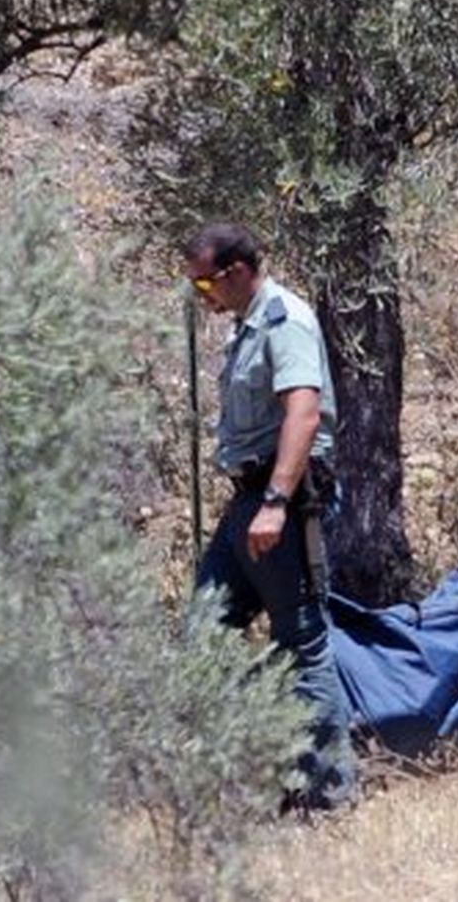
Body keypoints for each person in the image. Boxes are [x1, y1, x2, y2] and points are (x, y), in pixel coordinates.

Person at [182, 223, 357, 809]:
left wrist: (278, 503)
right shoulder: (247, 326)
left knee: (303, 641)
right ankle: (252, 770)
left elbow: (303, 413)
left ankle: (329, 796)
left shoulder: (286, 320)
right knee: (203, 631)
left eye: (204, 282)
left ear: (236, 272)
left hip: (280, 501)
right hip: (248, 502)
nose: (201, 295)